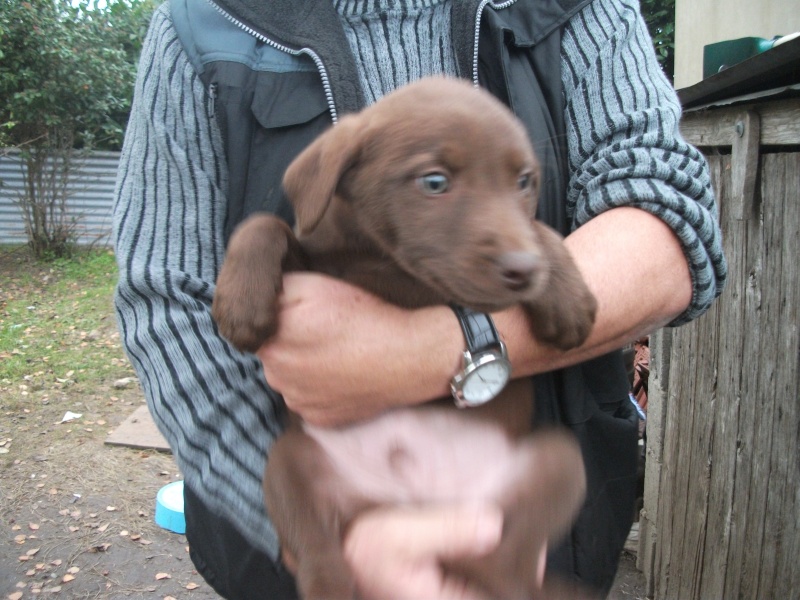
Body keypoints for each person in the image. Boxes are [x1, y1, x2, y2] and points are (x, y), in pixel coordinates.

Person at [112, 0, 727, 597]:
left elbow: (668, 218)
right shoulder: (202, 24)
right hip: (316, 528)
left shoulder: (576, 6)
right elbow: (166, 299)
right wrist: (338, 545)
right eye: (435, 181)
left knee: (558, 473)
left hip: (519, 511)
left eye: (521, 182)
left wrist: (443, 347)